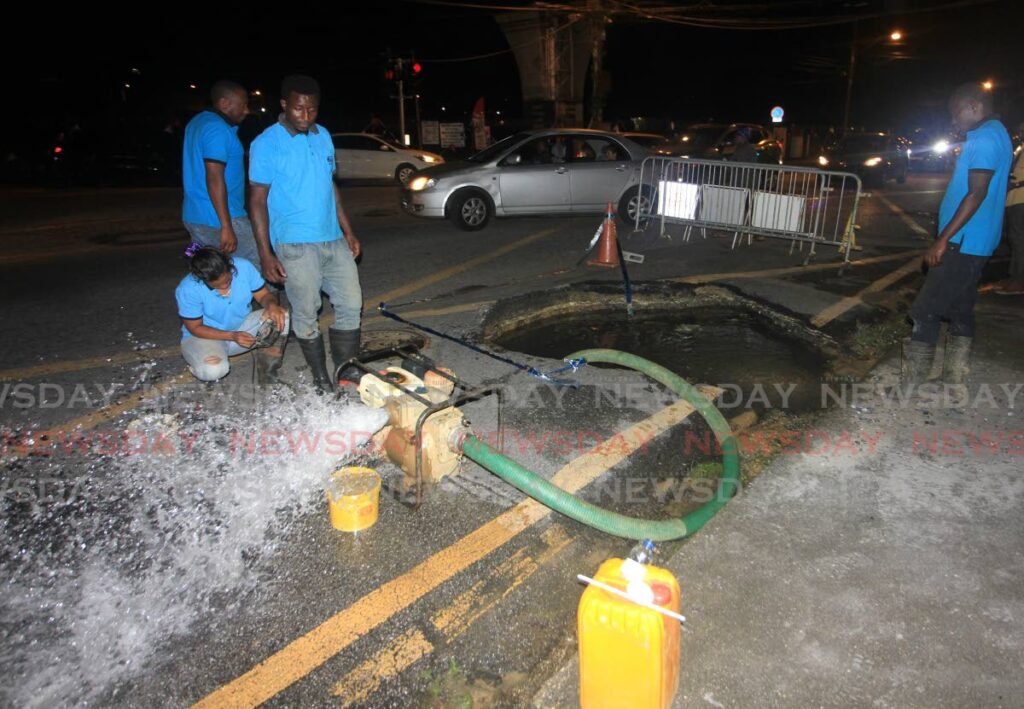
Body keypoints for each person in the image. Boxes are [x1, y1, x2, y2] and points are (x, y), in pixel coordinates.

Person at [249, 75, 363, 393]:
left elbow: (330, 186)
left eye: (312, 109)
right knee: (307, 311)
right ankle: (319, 375)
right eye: (299, 109)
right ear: (285, 105)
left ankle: (346, 369)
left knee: (351, 302)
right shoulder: (266, 143)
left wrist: (348, 231)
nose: (306, 116)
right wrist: (265, 253)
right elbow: (257, 199)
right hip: (295, 243)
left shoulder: (323, 135)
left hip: (333, 239)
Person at [903, 82, 1013, 386]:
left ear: (974, 106)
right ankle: (953, 376)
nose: (954, 121)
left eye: (956, 114)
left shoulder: (985, 137)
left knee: (924, 311)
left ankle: (911, 383)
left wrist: (943, 238)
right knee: (961, 309)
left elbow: (976, 194)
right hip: (976, 240)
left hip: (963, 241)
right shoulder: (997, 133)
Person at [175, 245, 288, 384]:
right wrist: (232, 336)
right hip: (205, 337)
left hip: (241, 329)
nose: (225, 287)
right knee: (213, 370)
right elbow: (195, 328)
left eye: (228, 281)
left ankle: (268, 373)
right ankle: (199, 364)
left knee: (281, 315)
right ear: (202, 279)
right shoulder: (188, 288)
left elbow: (264, 295)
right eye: (217, 285)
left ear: (230, 266)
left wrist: (272, 305)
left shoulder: (243, 267)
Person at [181, 81, 262, 269]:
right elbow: (214, 177)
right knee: (259, 268)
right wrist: (226, 226)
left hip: (195, 214)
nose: (247, 110)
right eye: (243, 104)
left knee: (215, 272)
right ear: (225, 103)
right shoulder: (217, 129)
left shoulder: (198, 122)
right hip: (222, 216)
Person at [994, 147, 1024, 294]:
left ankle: (1019, 281)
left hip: (1021, 199)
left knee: (1019, 241)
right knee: (1015, 240)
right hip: (1014, 199)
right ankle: (1014, 277)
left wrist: (1017, 184)